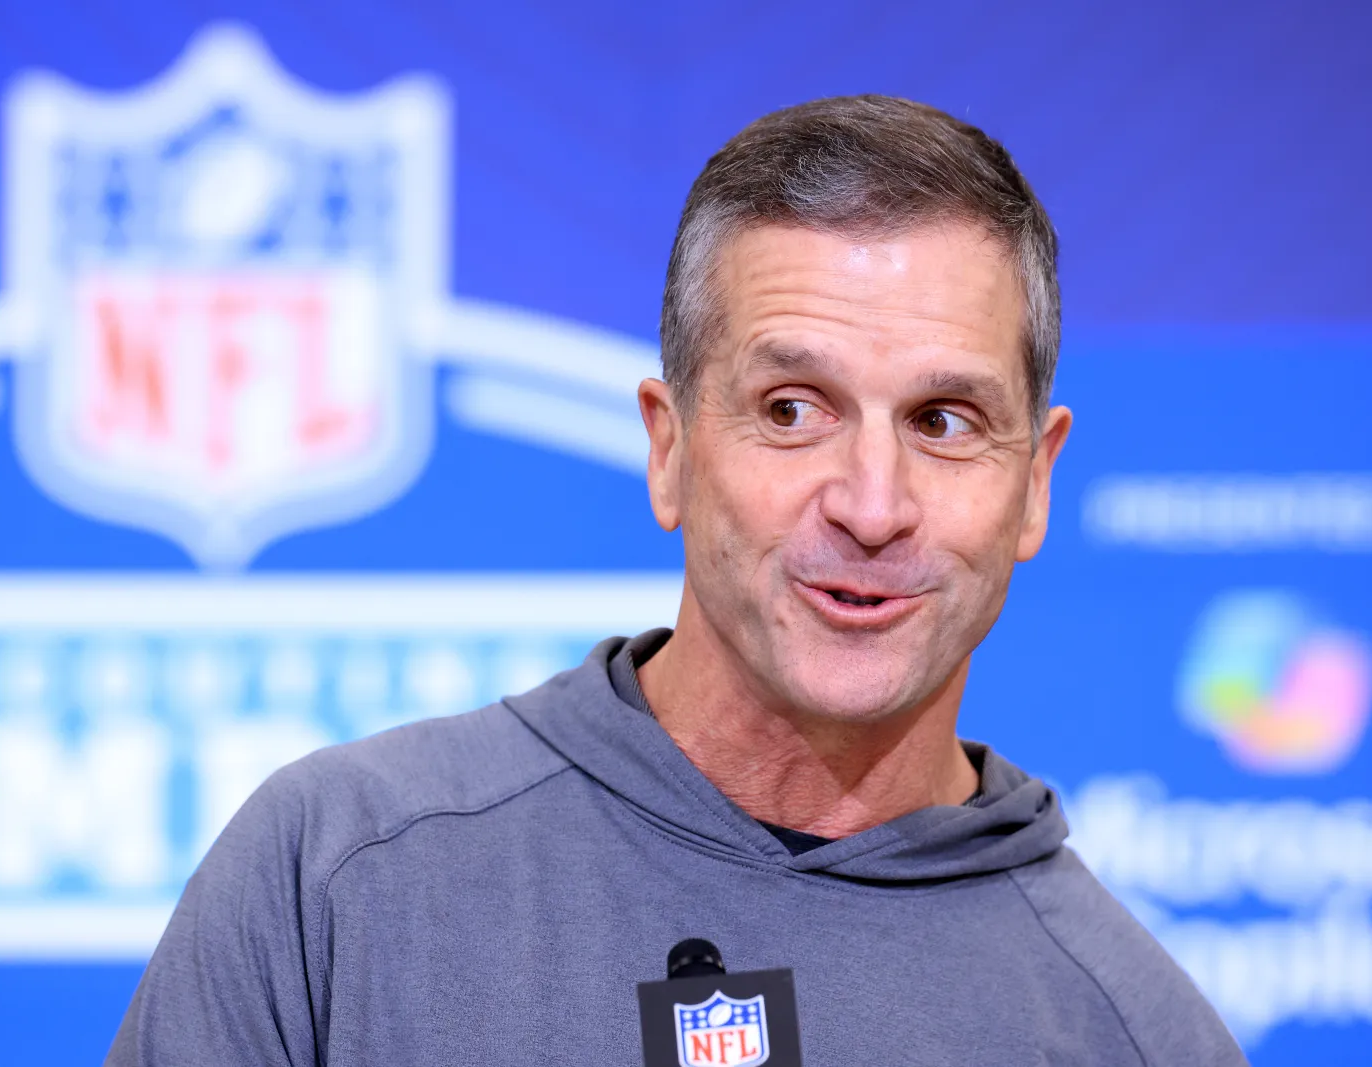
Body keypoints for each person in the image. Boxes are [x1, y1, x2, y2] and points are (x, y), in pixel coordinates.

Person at [107, 96, 1246, 1066]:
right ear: (670, 447)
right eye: (791, 409)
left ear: (1033, 483)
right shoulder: (340, 874)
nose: (870, 503)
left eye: (943, 422)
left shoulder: (1135, 1032)